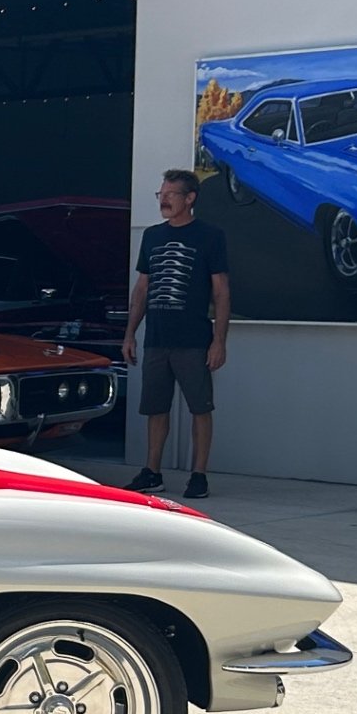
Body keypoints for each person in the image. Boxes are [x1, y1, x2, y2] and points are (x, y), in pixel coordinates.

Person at [122, 168, 230, 500]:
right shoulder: (152, 236)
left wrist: (219, 340)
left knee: (200, 407)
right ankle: (152, 472)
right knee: (156, 407)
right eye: (161, 194)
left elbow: (221, 292)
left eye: (170, 194)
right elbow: (142, 289)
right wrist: (130, 333)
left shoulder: (209, 236)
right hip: (157, 337)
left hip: (194, 338)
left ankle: (199, 475)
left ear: (190, 198)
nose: (164, 199)